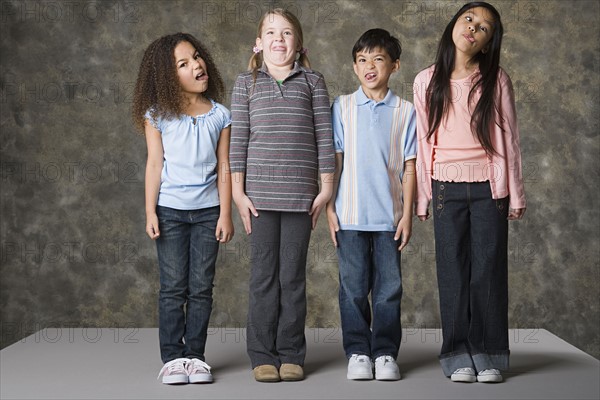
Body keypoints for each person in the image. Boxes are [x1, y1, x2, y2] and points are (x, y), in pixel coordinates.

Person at [413, 2, 526, 383]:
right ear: (454, 25)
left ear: (487, 43)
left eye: (485, 28)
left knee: (487, 271)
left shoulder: (497, 80)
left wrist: (516, 193)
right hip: (445, 188)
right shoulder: (426, 80)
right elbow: (423, 140)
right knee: (452, 273)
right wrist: (424, 196)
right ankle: (457, 354)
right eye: (469, 19)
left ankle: (488, 352)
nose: (474, 29)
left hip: (488, 189)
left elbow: (510, 139)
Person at [229, 8, 335, 382]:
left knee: (292, 278)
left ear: (299, 43)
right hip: (258, 199)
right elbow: (238, 140)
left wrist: (326, 188)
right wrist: (238, 193)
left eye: (287, 33)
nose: (279, 39)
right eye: (271, 33)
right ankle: (261, 353)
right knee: (263, 278)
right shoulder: (246, 84)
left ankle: (291, 353)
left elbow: (325, 135)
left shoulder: (313, 82)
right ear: (258, 44)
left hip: (300, 198)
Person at [132, 32, 234, 384]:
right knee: (173, 287)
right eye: (184, 63)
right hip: (170, 213)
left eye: (197, 56)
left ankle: (196, 356)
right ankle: (173, 358)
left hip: (208, 213)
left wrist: (225, 213)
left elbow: (225, 166)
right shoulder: (157, 116)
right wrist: (150, 212)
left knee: (201, 287)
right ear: (167, 76)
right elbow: (154, 165)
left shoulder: (220, 115)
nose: (197, 65)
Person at [326, 28, 416, 381]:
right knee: (351, 288)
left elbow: (410, 167)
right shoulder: (342, 107)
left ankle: (385, 353)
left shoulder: (405, 111)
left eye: (378, 59)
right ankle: (358, 352)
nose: (369, 66)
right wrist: (331, 207)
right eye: (362, 60)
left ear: (394, 65)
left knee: (388, 289)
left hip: (389, 218)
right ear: (353, 66)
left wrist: (407, 214)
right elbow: (334, 161)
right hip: (348, 216)